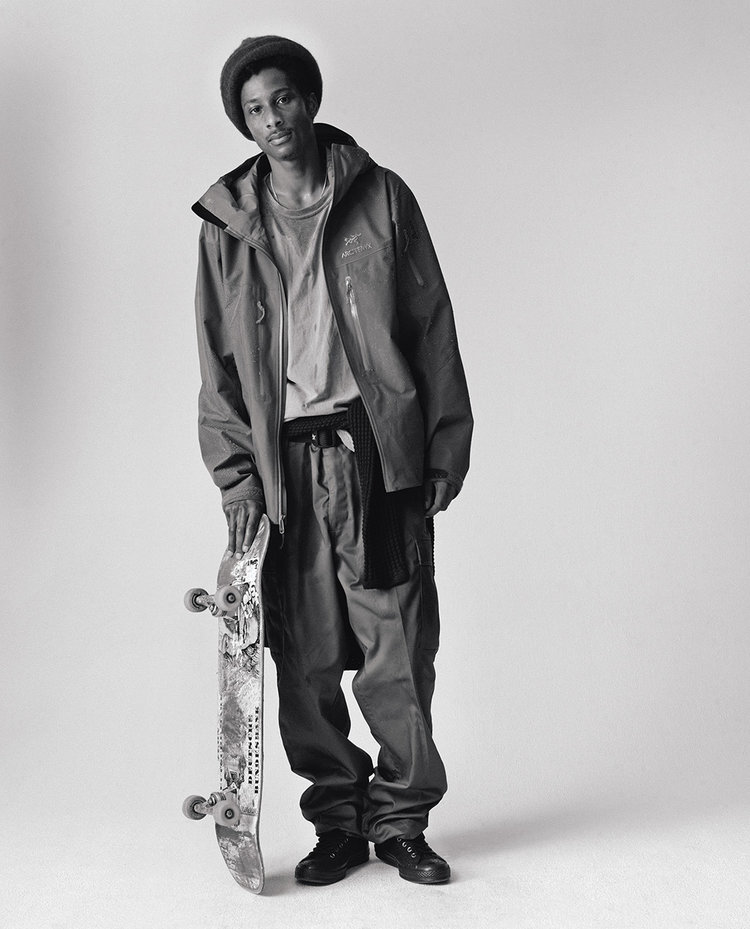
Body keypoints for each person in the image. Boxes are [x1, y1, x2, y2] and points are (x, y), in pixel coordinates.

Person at [192, 35, 473, 885]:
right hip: (286, 468)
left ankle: (402, 819)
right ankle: (340, 821)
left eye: (282, 98)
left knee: (397, 646)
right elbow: (217, 361)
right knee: (305, 655)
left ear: (308, 100)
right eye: (254, 109)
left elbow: (430, 325)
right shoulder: (227, 225)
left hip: (375, 456)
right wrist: (238, 478)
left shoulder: (381, 197)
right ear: (243, 123)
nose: (273, 119)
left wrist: (442, 445)